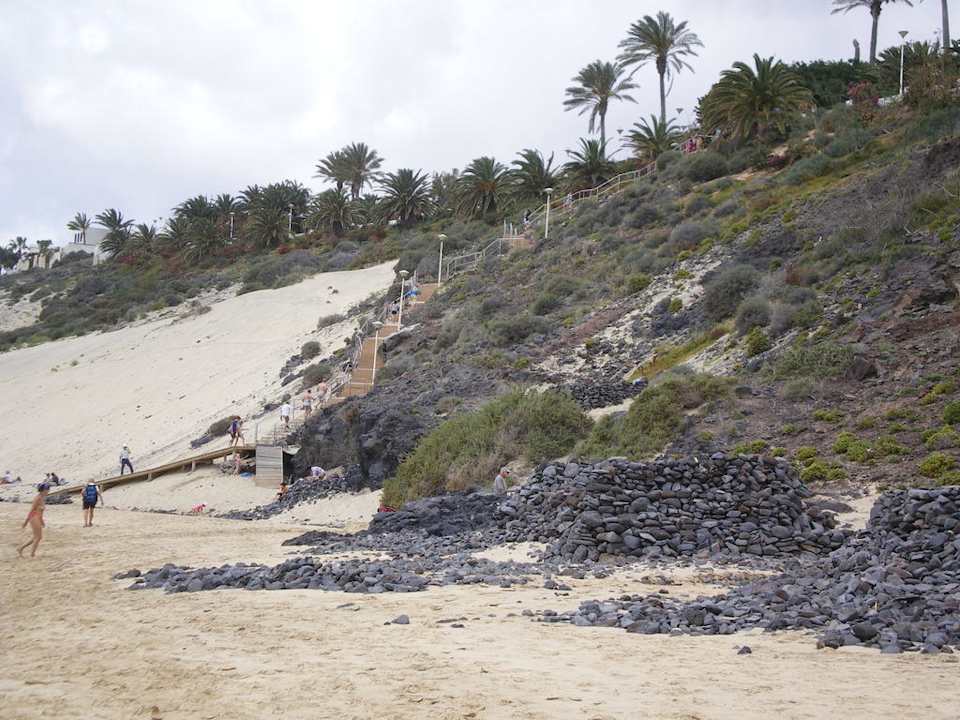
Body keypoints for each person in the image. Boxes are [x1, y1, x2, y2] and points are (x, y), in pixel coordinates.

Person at [18, 483, 49, 558]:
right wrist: (25, 522)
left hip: (37, 518)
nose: (48, 491)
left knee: (36, 537)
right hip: (33, 517)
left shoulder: (41, 498)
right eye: (47, 489)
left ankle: (21, 549)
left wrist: (42, 521)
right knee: (38, 537)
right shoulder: (37, 498)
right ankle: (32, 554)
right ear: (43, 490)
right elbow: (31, 510)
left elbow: (41, 511)